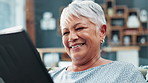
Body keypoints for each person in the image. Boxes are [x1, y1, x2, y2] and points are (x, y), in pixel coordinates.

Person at [49, 1, 146, 83]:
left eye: (79, 28)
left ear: (102, 32)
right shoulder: (50, 77)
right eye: (66, 33)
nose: (71, 38)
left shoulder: (125, 73)